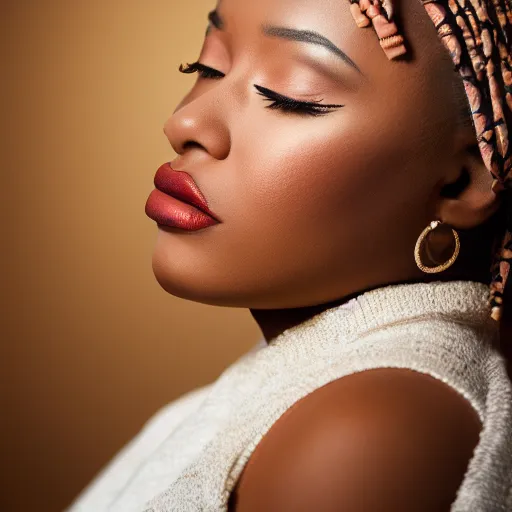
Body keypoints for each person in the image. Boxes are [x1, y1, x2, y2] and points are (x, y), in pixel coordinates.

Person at [67, 0, 512, 510]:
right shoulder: (308, 384)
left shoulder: (367, 431)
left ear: (460, 182)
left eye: (288, 96)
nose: (185, 121)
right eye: (208, 66)